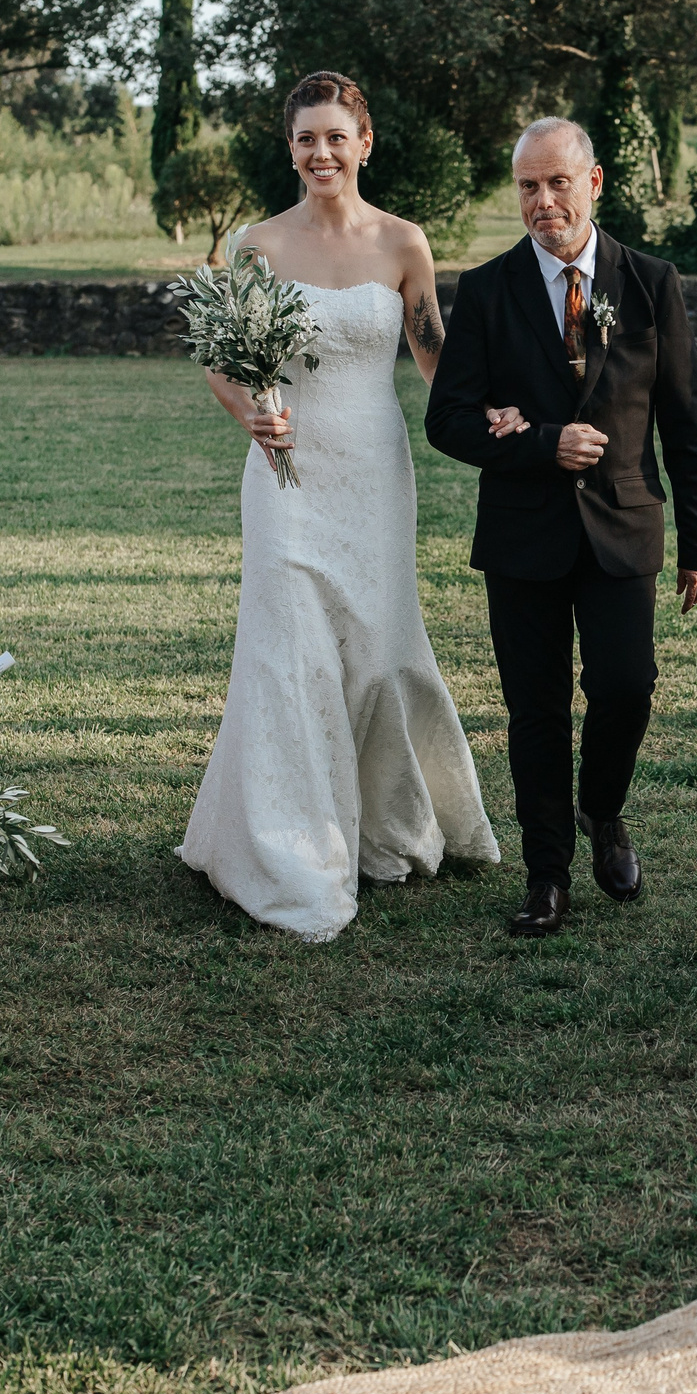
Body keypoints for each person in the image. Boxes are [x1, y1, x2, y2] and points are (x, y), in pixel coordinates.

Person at [178, 72, 498, 939]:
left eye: (336, 137)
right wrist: (251, 413)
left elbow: (435, 356)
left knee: (382, 650)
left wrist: (500, 408)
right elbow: (220, 354)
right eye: (305, 139)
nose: (321, 153)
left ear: (364, 144)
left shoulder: (404, 244)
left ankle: (385, 823)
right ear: (291, 150)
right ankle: (289, 846)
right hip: (285, 474)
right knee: (291, 651)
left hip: (374, 470)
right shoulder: (259, 245)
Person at [426, 117, 697, 937]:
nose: (543, 201)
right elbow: (446, 419)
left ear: (593, 184)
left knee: (627, 687)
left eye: (558, 183)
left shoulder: (650, 281)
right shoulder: (486, 290)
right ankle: (547, 876)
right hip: (523, 533)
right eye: (528, 186)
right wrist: (543, 443)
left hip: (625, 523)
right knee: (536, 710)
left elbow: (684, 418)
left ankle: (602, 808)